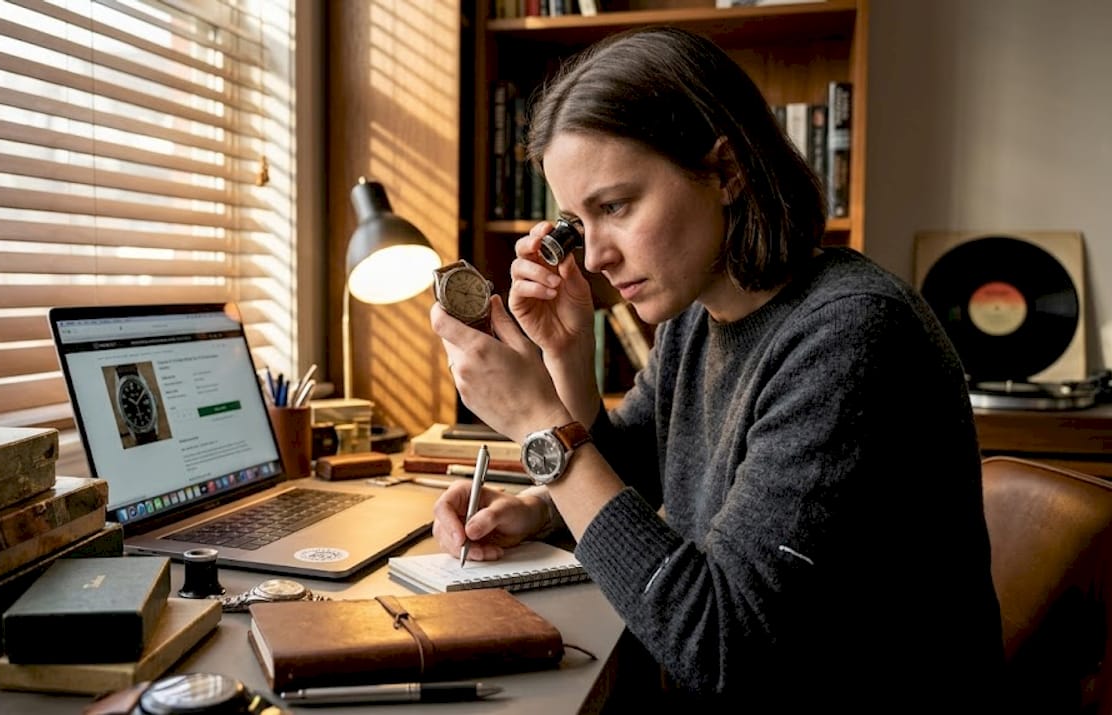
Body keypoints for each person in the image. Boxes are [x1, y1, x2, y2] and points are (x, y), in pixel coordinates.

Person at [429, 26, 1003, 712]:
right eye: (580, 223)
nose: (597, 256)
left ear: (726, 171)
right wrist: (565, 370)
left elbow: (724, 646)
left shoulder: (850, 336)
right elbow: (632, 470)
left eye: (616, 206)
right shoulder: (700, 314)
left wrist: (537, 425)